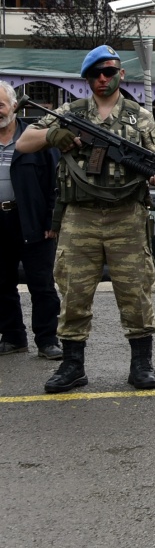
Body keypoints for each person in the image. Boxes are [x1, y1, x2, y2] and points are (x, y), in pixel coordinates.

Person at [15, 46, 155, 393]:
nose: (103, 78)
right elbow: (24, 142)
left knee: (135, 291)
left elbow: (154, 161)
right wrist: (53, 134)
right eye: (95, 73)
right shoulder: (70, 112)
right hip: (80, 217)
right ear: (87, 77)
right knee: (73, 293)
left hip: (127, 215)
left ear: (121, 74)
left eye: (109, 72)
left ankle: (141, 363)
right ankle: (72, 365)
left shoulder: (140, 116)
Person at [0, 82, 62, 362]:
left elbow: (56, 180)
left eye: (1, 105)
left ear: (14, 106)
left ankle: (47, 340)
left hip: (34, 221)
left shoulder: (35, 137)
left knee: (42, 284)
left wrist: (52, 219)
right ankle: (13, 337)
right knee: (2, 284)